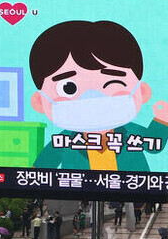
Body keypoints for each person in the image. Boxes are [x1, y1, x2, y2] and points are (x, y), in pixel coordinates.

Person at [29, 20, 168, 171]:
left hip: (136, 189)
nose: (92, 97)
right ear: (39, 102)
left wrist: (161, 120)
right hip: (76, 190)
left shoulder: (130, 133)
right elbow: (40, 169)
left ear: (142, 92)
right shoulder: (65, 139)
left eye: (113, 83)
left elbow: (154, 145)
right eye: (68, 88)